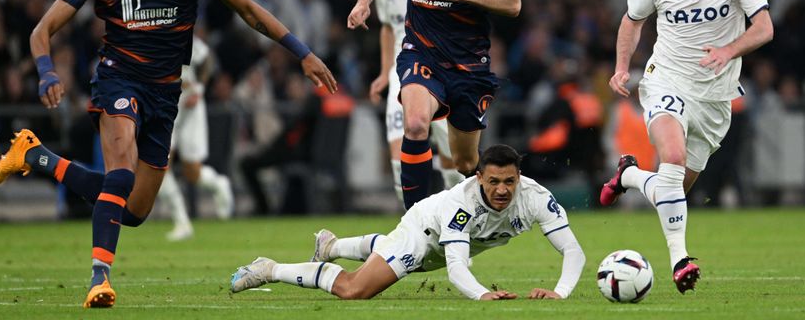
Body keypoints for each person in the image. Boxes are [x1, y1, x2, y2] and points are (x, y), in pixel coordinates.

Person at [0, 0, 336, 308]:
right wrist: (47, 72)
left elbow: (246, 8)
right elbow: (41, 30)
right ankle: (99, 278)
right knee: (119, 175)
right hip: (118, 80)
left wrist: (302, 53)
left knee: (134, 210)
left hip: (166, 90)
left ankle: (34, 156)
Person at [600, 0, 774, 293]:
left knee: (674, 188)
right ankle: (680, 260)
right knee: (673, 159)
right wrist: (621, 67)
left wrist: (728, 51)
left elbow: (764, 27)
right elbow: (632, 19)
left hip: (715, 98)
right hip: (666, 81)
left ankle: (628, 175)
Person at [348, 0, 521, 210]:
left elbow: (513, 1)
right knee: (414, 125)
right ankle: (415, 221)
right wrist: (365, 0)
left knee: (464, 162)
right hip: (421, 54)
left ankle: (497, 208)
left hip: (468, 64)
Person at [229, 144, 585, 301]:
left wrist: (560, 292)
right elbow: (457, 267)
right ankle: (270, 268)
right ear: (479, 179)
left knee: (387, 252)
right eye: (494, 182)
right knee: (356, 290)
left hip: (441, 247)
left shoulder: (536, 197)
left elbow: (572, 250)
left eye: (509, 181)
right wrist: (482, 295)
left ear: (519, 178)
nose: (503, 190)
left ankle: (332, 247)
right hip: (422, 234)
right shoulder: (462, 204)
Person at [369, 0, 464, 206]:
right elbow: (387, 28)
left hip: (438, 72)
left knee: (453, 160)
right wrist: (385, 73)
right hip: (402, 74)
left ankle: (457, 218)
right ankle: (413, 227)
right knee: (401, 154)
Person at [157, 34, 234, 242]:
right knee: (160, 164)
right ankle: (181, 222)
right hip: (163, 103)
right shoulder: (143, 34)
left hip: (189, 101)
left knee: (192, 172)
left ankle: (219, 183)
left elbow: (207, 58)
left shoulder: (178, 30)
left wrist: (199, 88)